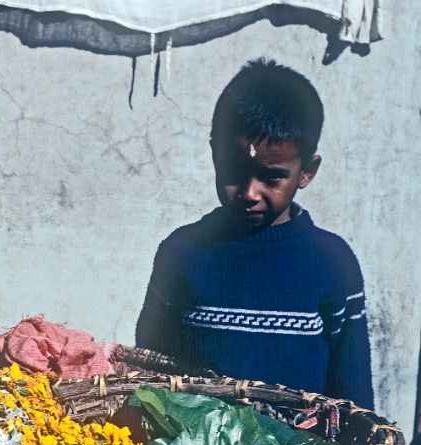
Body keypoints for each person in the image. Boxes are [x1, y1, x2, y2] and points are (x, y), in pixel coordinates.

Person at [135, 58, 374, 410]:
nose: (249, 192)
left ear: (307, 172)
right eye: (235, 170)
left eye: (272, 177)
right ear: (215, 153)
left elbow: (353, 390)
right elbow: (148, 368)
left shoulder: (331, 263)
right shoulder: (183, 252)